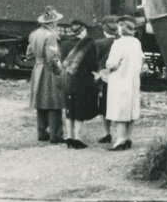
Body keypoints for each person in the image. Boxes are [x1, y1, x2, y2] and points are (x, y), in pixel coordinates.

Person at [101, 17, 144, 150]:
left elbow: (112, 63)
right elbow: (141, 60)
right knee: (131, 111)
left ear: (122, 28)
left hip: (119, 80)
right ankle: (128, 138)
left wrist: (107, 67)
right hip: (133, 80)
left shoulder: (118, 43)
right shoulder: (136, 42)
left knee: (119, 111)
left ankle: (120, 140)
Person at [24, 8, 66, 143]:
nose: (57, 24)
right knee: (54, 101)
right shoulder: (51, 36)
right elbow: (53, 57)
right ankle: (56, 135)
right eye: (56, 21)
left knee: (41, 100)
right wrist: (60, 70)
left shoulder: (34, 34)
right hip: (49, 71)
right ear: (52, 23)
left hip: (38, 69)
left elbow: (28, 54)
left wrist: (39, 60)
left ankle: (42, 132)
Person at [59, 20, 100, 149]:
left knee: (69, 108)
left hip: (67, 80)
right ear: (83, 30)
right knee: (79, 110)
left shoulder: (64, 44)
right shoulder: (89, 45)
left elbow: (62, 62)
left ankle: (69, 137)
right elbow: (93, 65)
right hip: (82, 81)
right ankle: (77, 139)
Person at [91, 15, 119, 144]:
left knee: (105, 107)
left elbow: (94, 60)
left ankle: (107, 133)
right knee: (117, 106)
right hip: (119, 78)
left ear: (104, 30)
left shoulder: (99, 43)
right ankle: (120, 134)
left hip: (104, 79)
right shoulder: (120, 43)